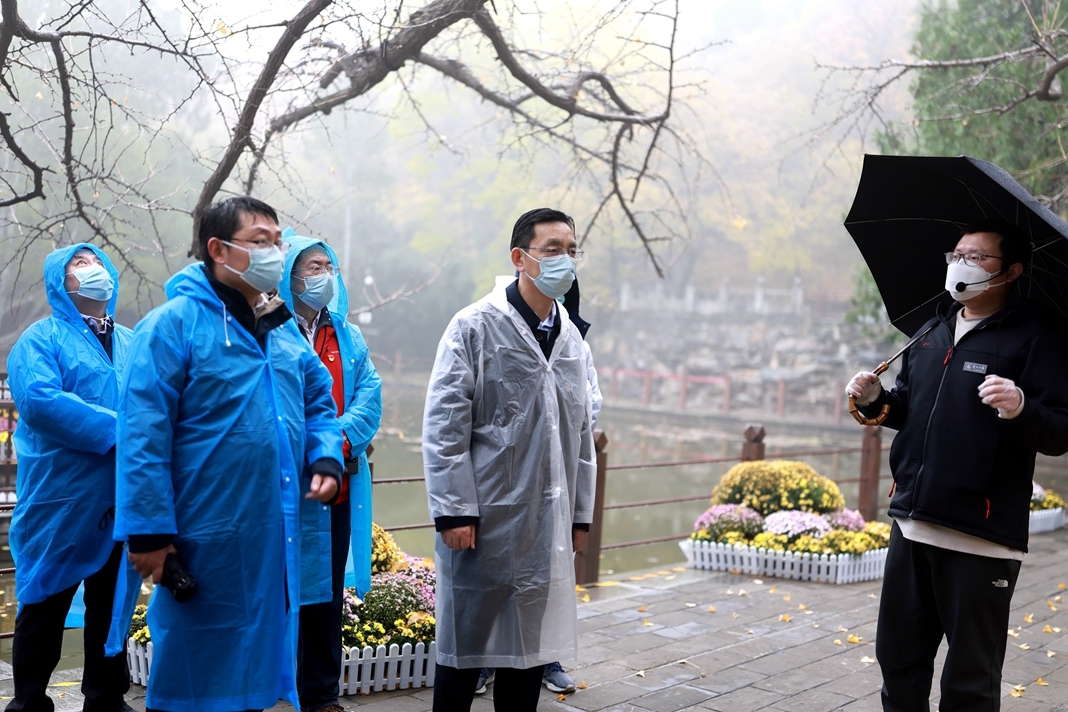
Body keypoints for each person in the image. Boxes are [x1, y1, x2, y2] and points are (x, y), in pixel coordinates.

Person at [111, 197, 344, 712]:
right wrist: (148, 532)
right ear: (218, 249)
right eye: (260, 241)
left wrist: (324, 457)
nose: (275, 253)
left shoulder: (280, 330)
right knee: (194, 670)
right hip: (203, 532)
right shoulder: (172, 326)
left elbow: (318, 401)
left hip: (271, 531)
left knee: (256, 665)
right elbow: (143, 437)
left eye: (278, 241)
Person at [846, 218, 1068, 711]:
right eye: (957, 255)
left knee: (970, 682)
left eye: (977, 256)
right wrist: (876, 397)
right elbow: (908, 410)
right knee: (898, 664)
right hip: (912, 523)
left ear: (1011, 271)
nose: (961, 264)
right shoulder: (930, 330)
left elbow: (1059, 432)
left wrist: (1020, 407)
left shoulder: (1035, 338)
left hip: (981, 536)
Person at [423, 208, 596, 712]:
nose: (565, 260)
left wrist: (580, 516)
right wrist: (454, 510)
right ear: (520, 258)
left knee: (528, 651)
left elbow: (582, 433)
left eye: (571, 250)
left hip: (546, 522)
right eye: (552, 250)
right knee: (464, 648)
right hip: (483, 517)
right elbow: (445, 425)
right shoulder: (474, 326)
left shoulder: (571, 338)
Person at [6, 244, 134, 712]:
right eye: (80, 263)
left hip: (122, 494)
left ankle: (106, 698)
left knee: (111, 603)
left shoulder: (133, 342)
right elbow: (41, 402)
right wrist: (124, 429)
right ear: (60, 281)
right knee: (45, 600)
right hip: (60, 496)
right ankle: (28, 701)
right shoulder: (39, 340)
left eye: (97, 261)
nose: (93, 269)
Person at [473, 276, 602, 698]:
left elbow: (589, 404)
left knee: (541, 585)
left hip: (554, 481)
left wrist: (556, 415)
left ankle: (546, 659)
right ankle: (483, 661)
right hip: (501, 483)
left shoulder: (572, 340)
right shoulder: (486, 327)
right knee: (491, 583)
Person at [279, 230, 383, 712]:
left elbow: (369, 395)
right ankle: (270, 682)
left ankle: (321, 693)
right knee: (276, 587)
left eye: (329, 267)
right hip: (281, 484)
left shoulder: (347, 334)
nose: (324, 276)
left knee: (326, 592)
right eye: (313, 268)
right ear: (290, 276)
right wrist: (303, 447)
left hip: (334, 482)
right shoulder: (268, 331)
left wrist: (332, 443)